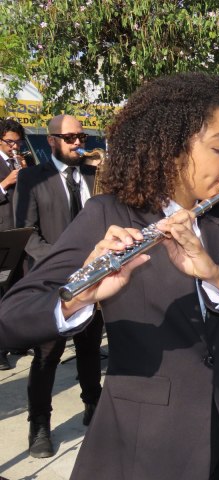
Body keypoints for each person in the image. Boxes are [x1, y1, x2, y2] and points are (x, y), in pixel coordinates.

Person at [0, 72, 219, 479]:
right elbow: (10, 317)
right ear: (171, 148)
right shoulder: (110, 214)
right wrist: (81, 295)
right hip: (145, 444)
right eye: (218, 147)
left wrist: (214, 276)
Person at [12, 114, 104, 458]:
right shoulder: (31, 178)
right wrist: (64, 265)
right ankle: (39, 425)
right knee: (47, 356)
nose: (78, 142)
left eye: (81, 136)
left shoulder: (95, 175)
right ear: (51, 140)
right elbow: (28, 233)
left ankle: (93, 404)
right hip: (52, 280)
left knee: (90, 348)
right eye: (70, 138)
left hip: (94, 279)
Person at [0, 118, 28, 370]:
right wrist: (5, 183)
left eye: (18, 142)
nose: (15, 146)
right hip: (1, 233)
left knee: (17, 285)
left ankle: (16, 337)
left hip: (20, 232)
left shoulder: (20, 160)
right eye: (10, 142)